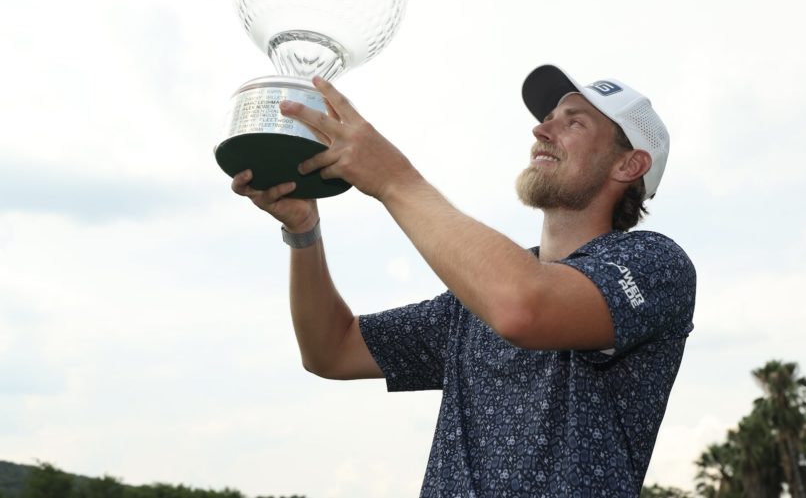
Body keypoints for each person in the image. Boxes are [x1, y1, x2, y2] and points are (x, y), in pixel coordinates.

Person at [231, 64, 696, 497]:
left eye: (573, 122)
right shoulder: (475, 297)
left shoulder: (655, 264)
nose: (541, 129)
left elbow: (524, 307)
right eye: (548, 117)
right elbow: (330, 349)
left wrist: (394, 179)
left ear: (628, 166)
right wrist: (304, 231)